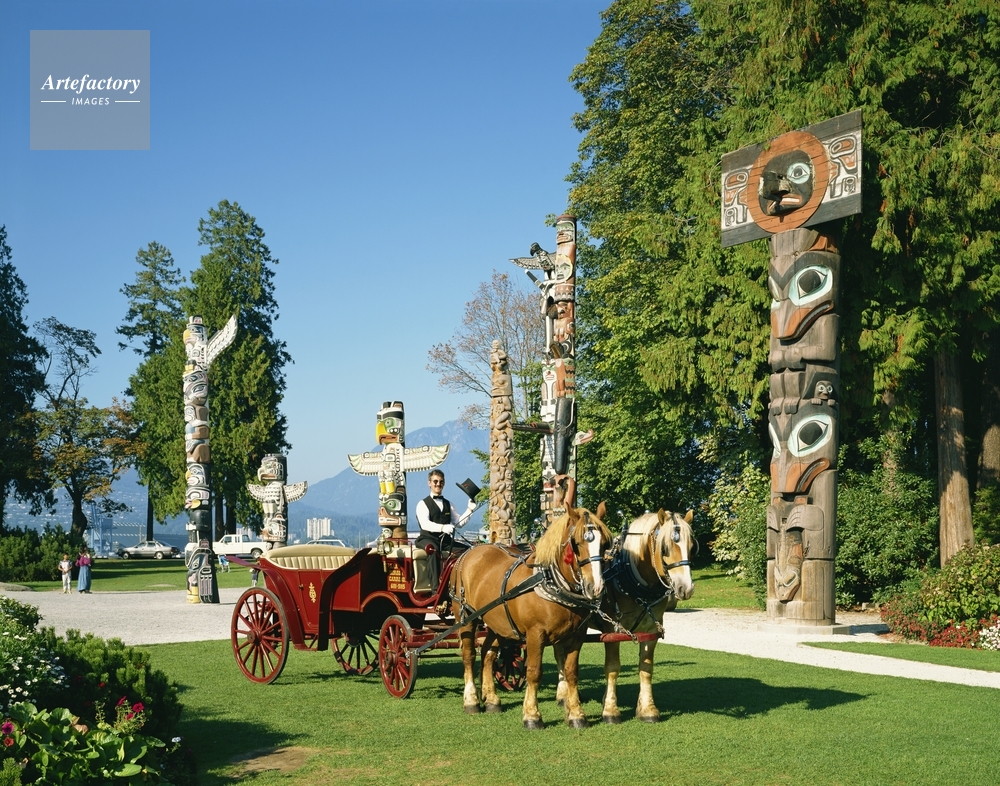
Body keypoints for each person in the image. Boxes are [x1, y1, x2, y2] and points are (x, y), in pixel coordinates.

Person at [414, 470, 476, 592]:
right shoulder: (422, 504)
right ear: (429, 483)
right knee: (433, 550)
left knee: (468, 551)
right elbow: (425, 524)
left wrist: (469, 510)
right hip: (427, 539)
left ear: (444, 483)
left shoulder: (449, 504)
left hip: (445, 541)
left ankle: (460, 585)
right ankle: (435, 591)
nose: (438, 484)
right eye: (435, 481)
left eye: (441, 482)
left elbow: (459, 523)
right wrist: (442, 527)